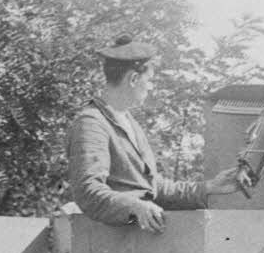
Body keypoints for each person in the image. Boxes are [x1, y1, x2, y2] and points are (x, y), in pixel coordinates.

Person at [66, 36, 245, 233]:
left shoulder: (129, 122)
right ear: (133, 79)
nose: (151, 87)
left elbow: (152, 188)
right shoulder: (92, 123)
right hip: (116, 242)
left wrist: (209, 187)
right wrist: (134, 206)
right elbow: (87, 192)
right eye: (149, 80)